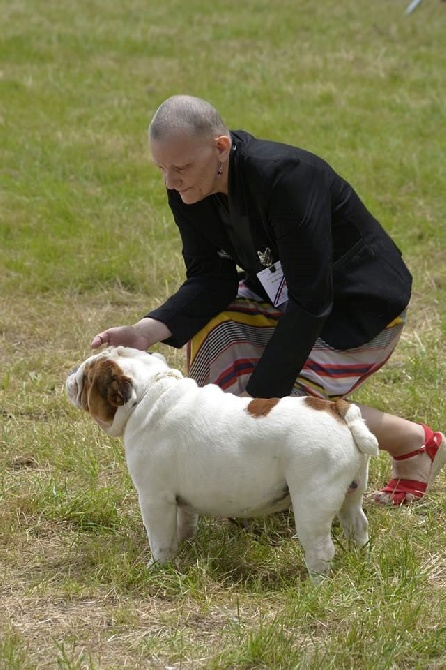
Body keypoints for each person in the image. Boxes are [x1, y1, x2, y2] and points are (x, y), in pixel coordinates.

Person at [91, 94, 445, 506]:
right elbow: (211, 279)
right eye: (162, 169)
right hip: (286, 303)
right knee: (216, 329)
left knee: (288, 407)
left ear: (220, 147)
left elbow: (312, 299)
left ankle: (415, 443)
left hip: (354, 310)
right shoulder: (188, 188)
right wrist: (143, 331)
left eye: (181, 167)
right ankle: (250, 471)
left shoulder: (287, 177)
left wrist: (256, 404)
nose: (170, 181)